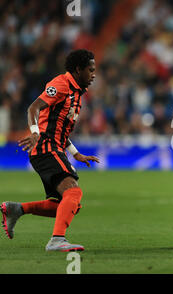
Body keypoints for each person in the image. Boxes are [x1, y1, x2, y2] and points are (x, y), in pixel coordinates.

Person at [1, 49, 99, 252]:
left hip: (54, 147)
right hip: (45, 145)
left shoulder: (78, 93)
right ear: (78, 69)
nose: (94, 74)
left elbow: (60, 128)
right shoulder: (61, 84)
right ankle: (57, 240)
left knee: (68, 204)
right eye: (90, 70)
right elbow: (33, 108)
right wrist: (35, 132)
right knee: (73, 191)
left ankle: (16, 209)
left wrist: (75, 153)